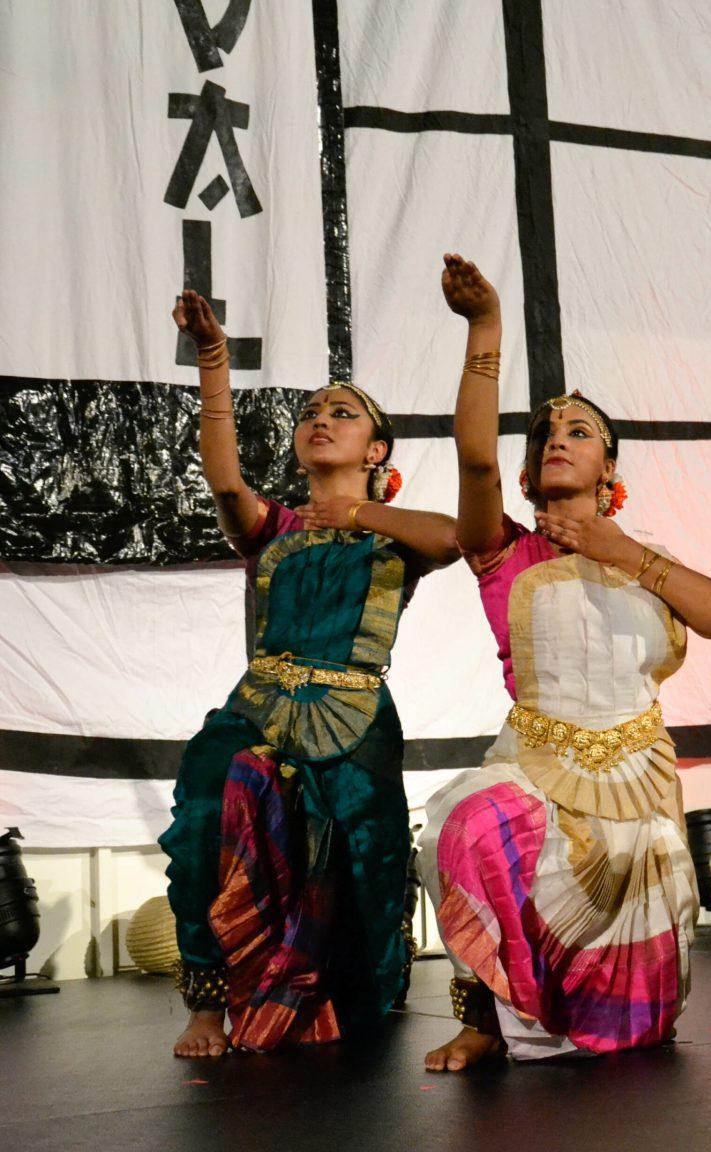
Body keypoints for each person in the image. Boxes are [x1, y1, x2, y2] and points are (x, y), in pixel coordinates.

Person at [418, 254, 711, 1070]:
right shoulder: (503, 552)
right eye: (547, 436)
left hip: (636, 775)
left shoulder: (644, 558)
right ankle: (483, 1019)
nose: (559, 441)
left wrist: (620, 549)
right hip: (536, 757)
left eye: (580, 433)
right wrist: (484, 333)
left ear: (610, 470)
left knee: (636, 1025)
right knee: (464, 828)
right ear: (529, 473)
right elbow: (474, 462)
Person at [162, 290, 459, 1057]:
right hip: (261, 703)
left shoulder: (393, 535)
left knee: (365, 853)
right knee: (205, 807)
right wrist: (215, 362)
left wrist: (357, 516)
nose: (321, 419)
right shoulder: (275, 528)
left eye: (343, 413)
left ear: (377, 451)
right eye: (312, 413)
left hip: (353, 711)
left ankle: (354, 990)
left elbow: (455, 537)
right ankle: (206, 1003)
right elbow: (227, 482)